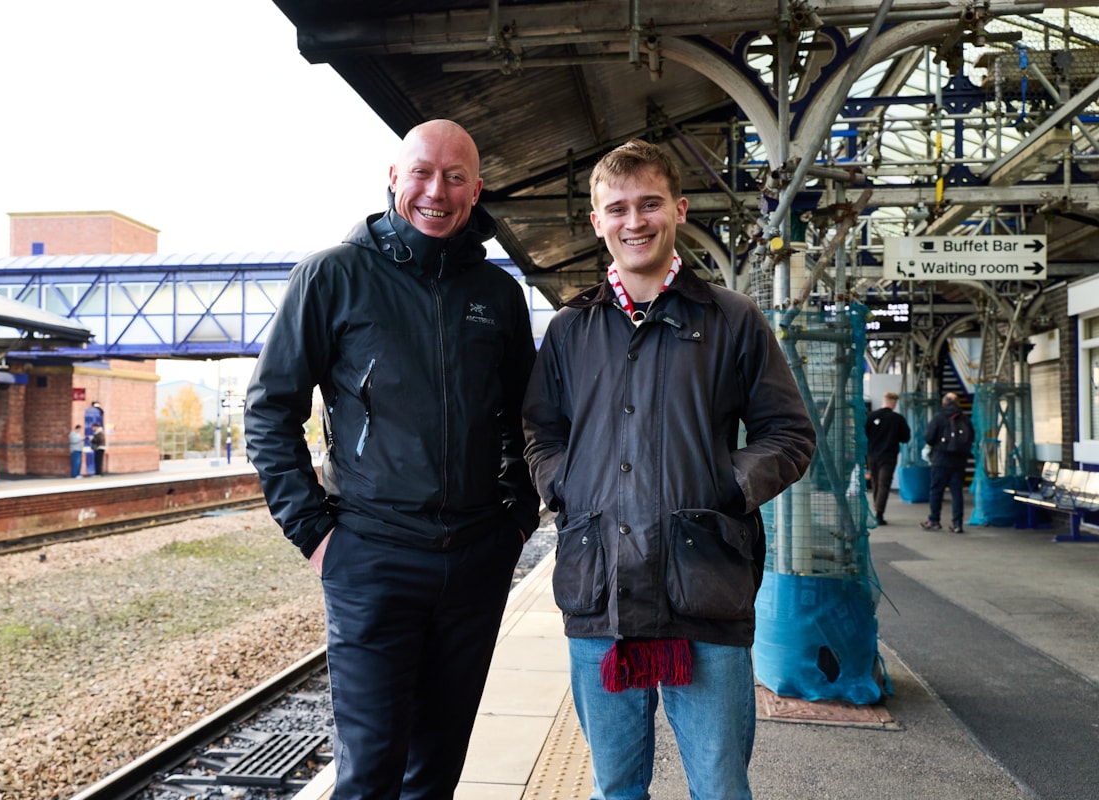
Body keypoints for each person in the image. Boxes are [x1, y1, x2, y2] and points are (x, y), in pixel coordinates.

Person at [243, 119, 539, 799]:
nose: (437, 190)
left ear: (476, 188)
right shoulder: (334, 277)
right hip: (372, 558)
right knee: (370, 772)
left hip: (475, 561)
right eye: (422, 173)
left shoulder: (495, 295)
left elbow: (528, 416)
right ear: (393, 179)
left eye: (455, 176)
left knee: (436, 773)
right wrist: (315, 535)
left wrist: (518, 519)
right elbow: (269, 407)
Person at [522, 138, 816, 800]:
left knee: (719, 786)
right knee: (615, 785)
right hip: (602, 591)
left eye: (650, 203)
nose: (635, 221)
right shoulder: (571, 330)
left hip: (702, 588)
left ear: (678, 209)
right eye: (618, 208)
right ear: (597, 222)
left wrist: (724, 485)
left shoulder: (732, 320)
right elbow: (541, 430)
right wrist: (566, 486)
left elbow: (789, 433)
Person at [922, 391, 975, 533]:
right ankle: (957, 524)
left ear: (943, 403)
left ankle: (934, 520)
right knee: (957, 492)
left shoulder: (939, 417)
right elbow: (971, 437)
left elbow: (928, 437)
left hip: (940, 460)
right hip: (959, 461)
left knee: (936, 491)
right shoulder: (965, 419)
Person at [865, 391, 911, 525]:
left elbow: (864, 435)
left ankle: (876, 508)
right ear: (894, 403)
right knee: (884, 484)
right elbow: (905, 438)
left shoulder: (871, 416)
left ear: (883, 401)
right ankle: (879, 513)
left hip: (872, 455)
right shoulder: (898, 419)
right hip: (889, 456)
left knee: (875, 482)